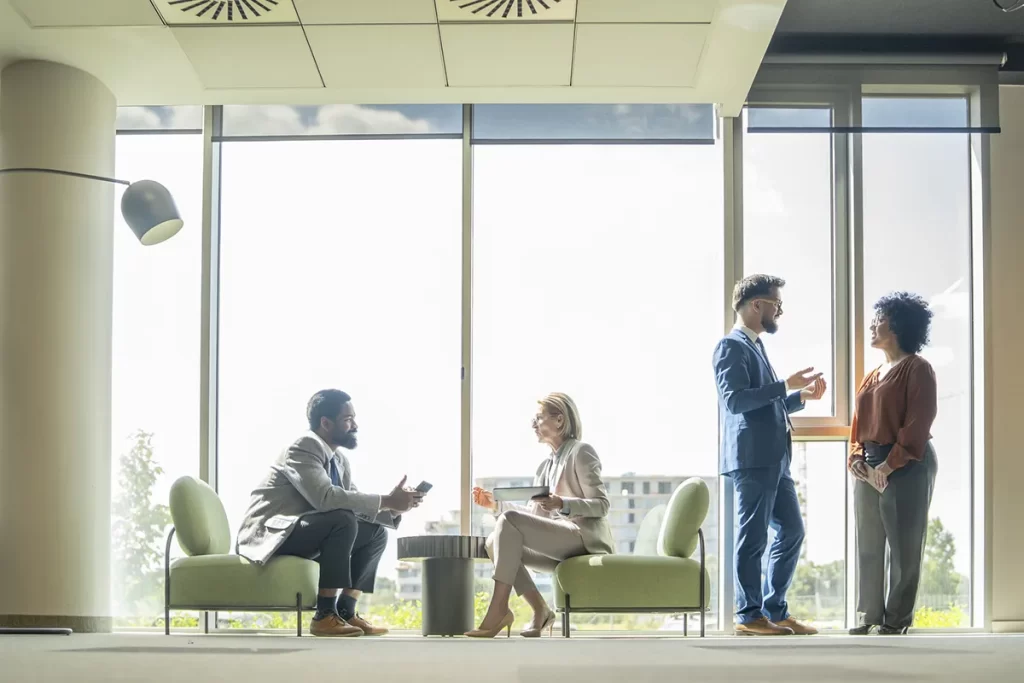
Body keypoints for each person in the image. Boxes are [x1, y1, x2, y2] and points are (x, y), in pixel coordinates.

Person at [235, 389, 424, 637]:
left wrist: (394, 507)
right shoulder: (304, 447)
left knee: (376, 532)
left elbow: (354, 502)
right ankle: (324, 615)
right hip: (273, 534)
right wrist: (387, 500)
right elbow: (325, 498)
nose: (355, 425)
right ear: (325, 423)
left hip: (305, 531)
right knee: (342, 519)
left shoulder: (339, 460)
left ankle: (345, 611)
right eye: (348, 419)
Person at [713, 274, 827, 636]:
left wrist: (799, 398)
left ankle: (774, 610)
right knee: (753, 537)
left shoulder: (756, 347)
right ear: (756, 305)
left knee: (792, 530)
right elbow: (735, 401)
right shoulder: (730, 347)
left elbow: (766, 404)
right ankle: (748, 615)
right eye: (776, 304)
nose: (780, 311)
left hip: (776, 460)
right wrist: (785, 385)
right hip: (753, 459)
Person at [468, 392, 614, 638]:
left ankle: (498, 608)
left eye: (538, 418)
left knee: (508, 523)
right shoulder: (545, 466)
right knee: (493, 541)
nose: (533, 424)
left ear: (559, 420)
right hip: (557, 545)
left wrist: (562, 503)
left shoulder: (581, 452)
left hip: (582, 539)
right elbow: (531, 515)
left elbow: (601, 505)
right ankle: (540, 609)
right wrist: (495, 505)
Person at [848, 292, 938, 636]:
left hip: (907, 463)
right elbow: (858, 425)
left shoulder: (918, 368)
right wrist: (857, 458)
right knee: (868, 545)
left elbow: (919, 422)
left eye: (880, 319)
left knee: (904, 547)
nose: (873, 324)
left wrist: (889, 465)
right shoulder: (872, 374)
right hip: (869, 465)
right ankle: (869, 615)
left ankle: (896, 620)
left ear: (898, 325)